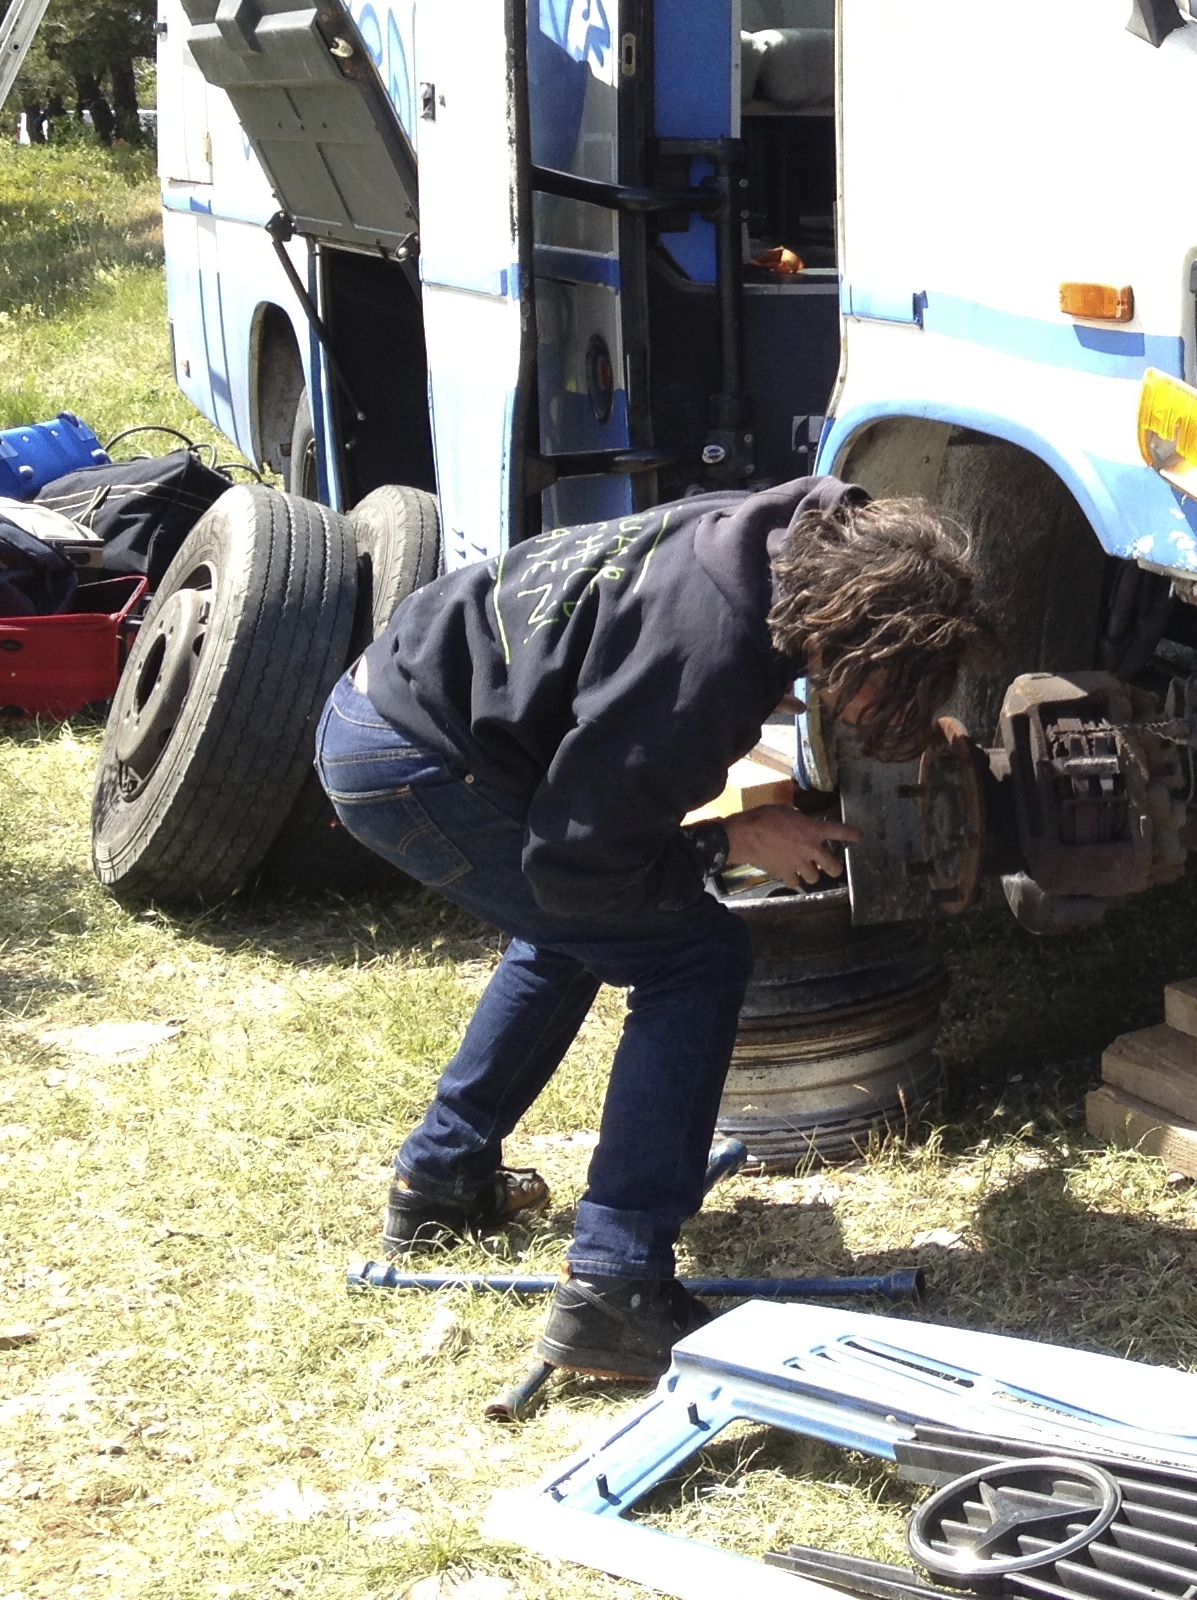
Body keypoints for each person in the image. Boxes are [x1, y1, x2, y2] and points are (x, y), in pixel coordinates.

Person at [314, 475, 989, 1381]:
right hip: (411, 761)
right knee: (693, 958)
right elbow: (582, 857)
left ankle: (441, 1179)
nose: (881, 713)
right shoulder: (704, 655)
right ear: (855, 636)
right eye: (887, 688)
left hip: (414, 704)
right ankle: (615, 1284)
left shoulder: (785, 537)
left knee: (569, 935)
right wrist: (734, 838)